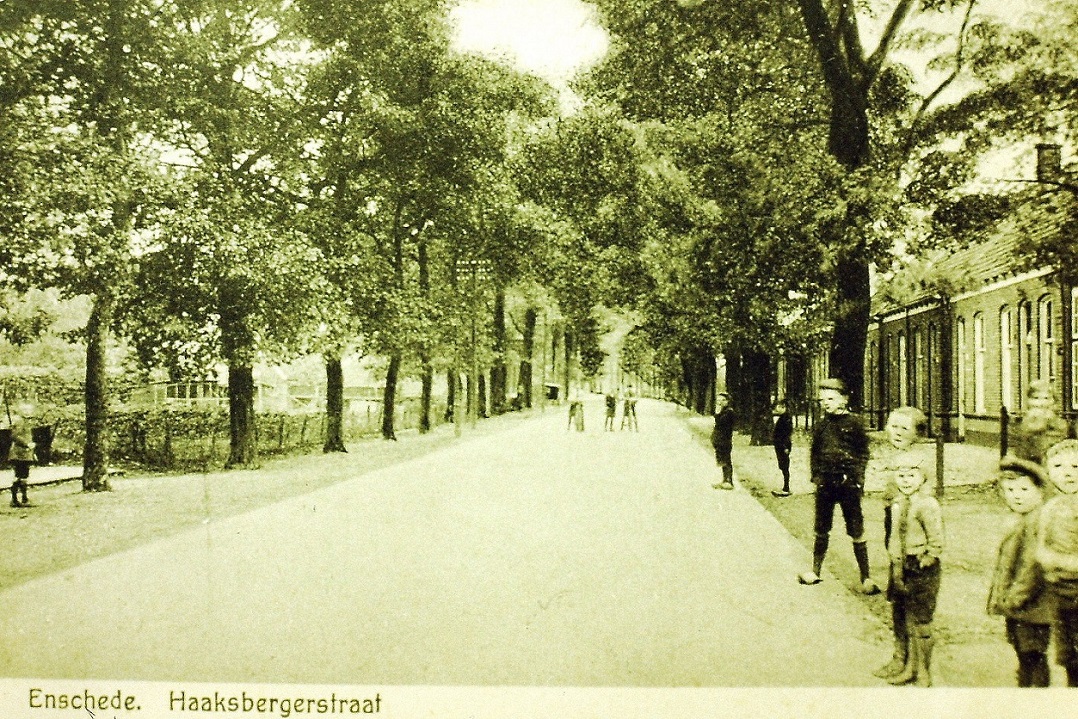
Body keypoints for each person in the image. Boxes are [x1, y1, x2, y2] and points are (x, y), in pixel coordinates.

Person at [798, 378, 878, 593]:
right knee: (821, 528)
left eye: (831, 399)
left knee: (856, 529)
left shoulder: (855, 423)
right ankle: (815, 570)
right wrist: (816, 476)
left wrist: (857, 479)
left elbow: (862, 454)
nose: (826, 403)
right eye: (822, 400)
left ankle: (866, 577)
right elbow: (815, 453)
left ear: (844, 399)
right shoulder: (821, 425)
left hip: (848, 486)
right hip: (825, 484)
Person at [987, 457, 1054, 687]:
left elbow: (1033, 567)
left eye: (1024, 489)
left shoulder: (1037, 522)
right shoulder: (1020, 520)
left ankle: (1035, 696)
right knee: (1023, 653)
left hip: (1032, 606)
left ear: (1040, 491)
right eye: (1010, 490)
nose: (1016, 495)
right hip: (1019, 606)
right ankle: (1026, 689)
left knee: (1033, 655)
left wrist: (1014, 597)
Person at [879, 451, 944, 686]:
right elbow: (894, 537)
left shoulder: (927, 504)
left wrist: (928, 557)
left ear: (923, 477)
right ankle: (906, 665)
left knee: (921, 620)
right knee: (902, 614)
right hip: (901, 565)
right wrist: (895, 560)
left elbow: (936, 539)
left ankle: (923, 671)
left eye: (911, 475)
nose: (906, 480)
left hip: (920, 566)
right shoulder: (897, 503)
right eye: (901, 475)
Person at [1035, 439, 1078, 686]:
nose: (1067, 473)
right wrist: (1047, 560)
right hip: (1060, 593)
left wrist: (1063, 561)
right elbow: (1041, 549)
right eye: (1059, 466)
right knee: (1068, 656)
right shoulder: (1050, 508)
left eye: (1075, 466)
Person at [878, 407, 928, 549]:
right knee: (892, 544)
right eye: (894, 426)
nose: (898, 433)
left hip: (911, 511)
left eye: (905, 428)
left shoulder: (917, 459)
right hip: (892, 508)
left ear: (917, 433)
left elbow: (926, 487)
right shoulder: (894, 455)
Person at [1011, 379, 1071, 465]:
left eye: (1046, 398)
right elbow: (1020, 445)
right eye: (1036, 398)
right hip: (1028, 462)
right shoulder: (1026, 421)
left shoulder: (1059, 423)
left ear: (1053, 401)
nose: (1041, 403)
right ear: (1028, 401)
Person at [7, 411, 35, 508]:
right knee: (20, 476)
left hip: (24, 454)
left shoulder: (26, 422)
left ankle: (24, 498)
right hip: (19, 454)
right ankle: (15, 499)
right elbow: (14, 436)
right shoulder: (20, 422)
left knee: (23, 476)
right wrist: (27, 444)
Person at [711, 391, 735, 490]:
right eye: (718, 400)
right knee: (722, 460)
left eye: (723, 400)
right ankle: (725, 480)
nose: (720, 402)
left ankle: (728, 481)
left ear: (728, 401)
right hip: (720, 440)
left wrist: (717, 413)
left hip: (724, 440)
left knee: (726, 460)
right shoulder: (723, 412)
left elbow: (721, 422)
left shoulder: (729, 412)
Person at [771, 399, 793, 497]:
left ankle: (786, 488)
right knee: (783, 466)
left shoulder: (786, 419)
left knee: (785, 466)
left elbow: (786, 435)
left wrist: (785, 447)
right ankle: (785, 487)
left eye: (779, 407)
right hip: (780, 445)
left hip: (783, 446)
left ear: (783, 407)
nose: (776, 409)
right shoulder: (783, 418)